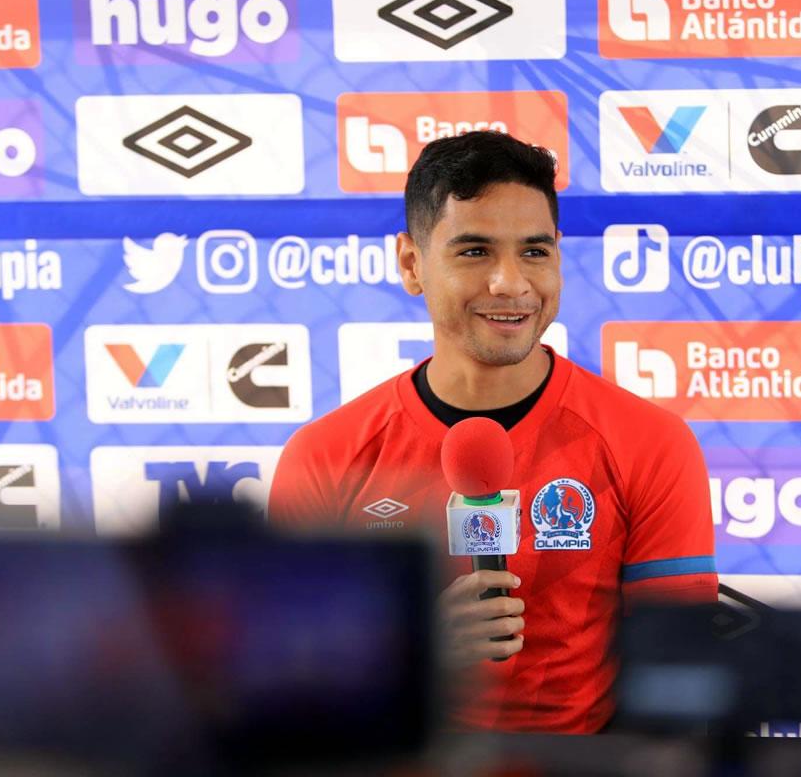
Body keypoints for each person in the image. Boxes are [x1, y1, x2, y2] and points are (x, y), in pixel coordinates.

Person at [269, 131, 716, 734]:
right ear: (411, 264)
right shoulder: (327, 455)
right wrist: (414, 653)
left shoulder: (650, 442)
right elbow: (284, 693)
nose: (510, 283)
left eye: (534, 252)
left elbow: (680, 683)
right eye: (474, 251)